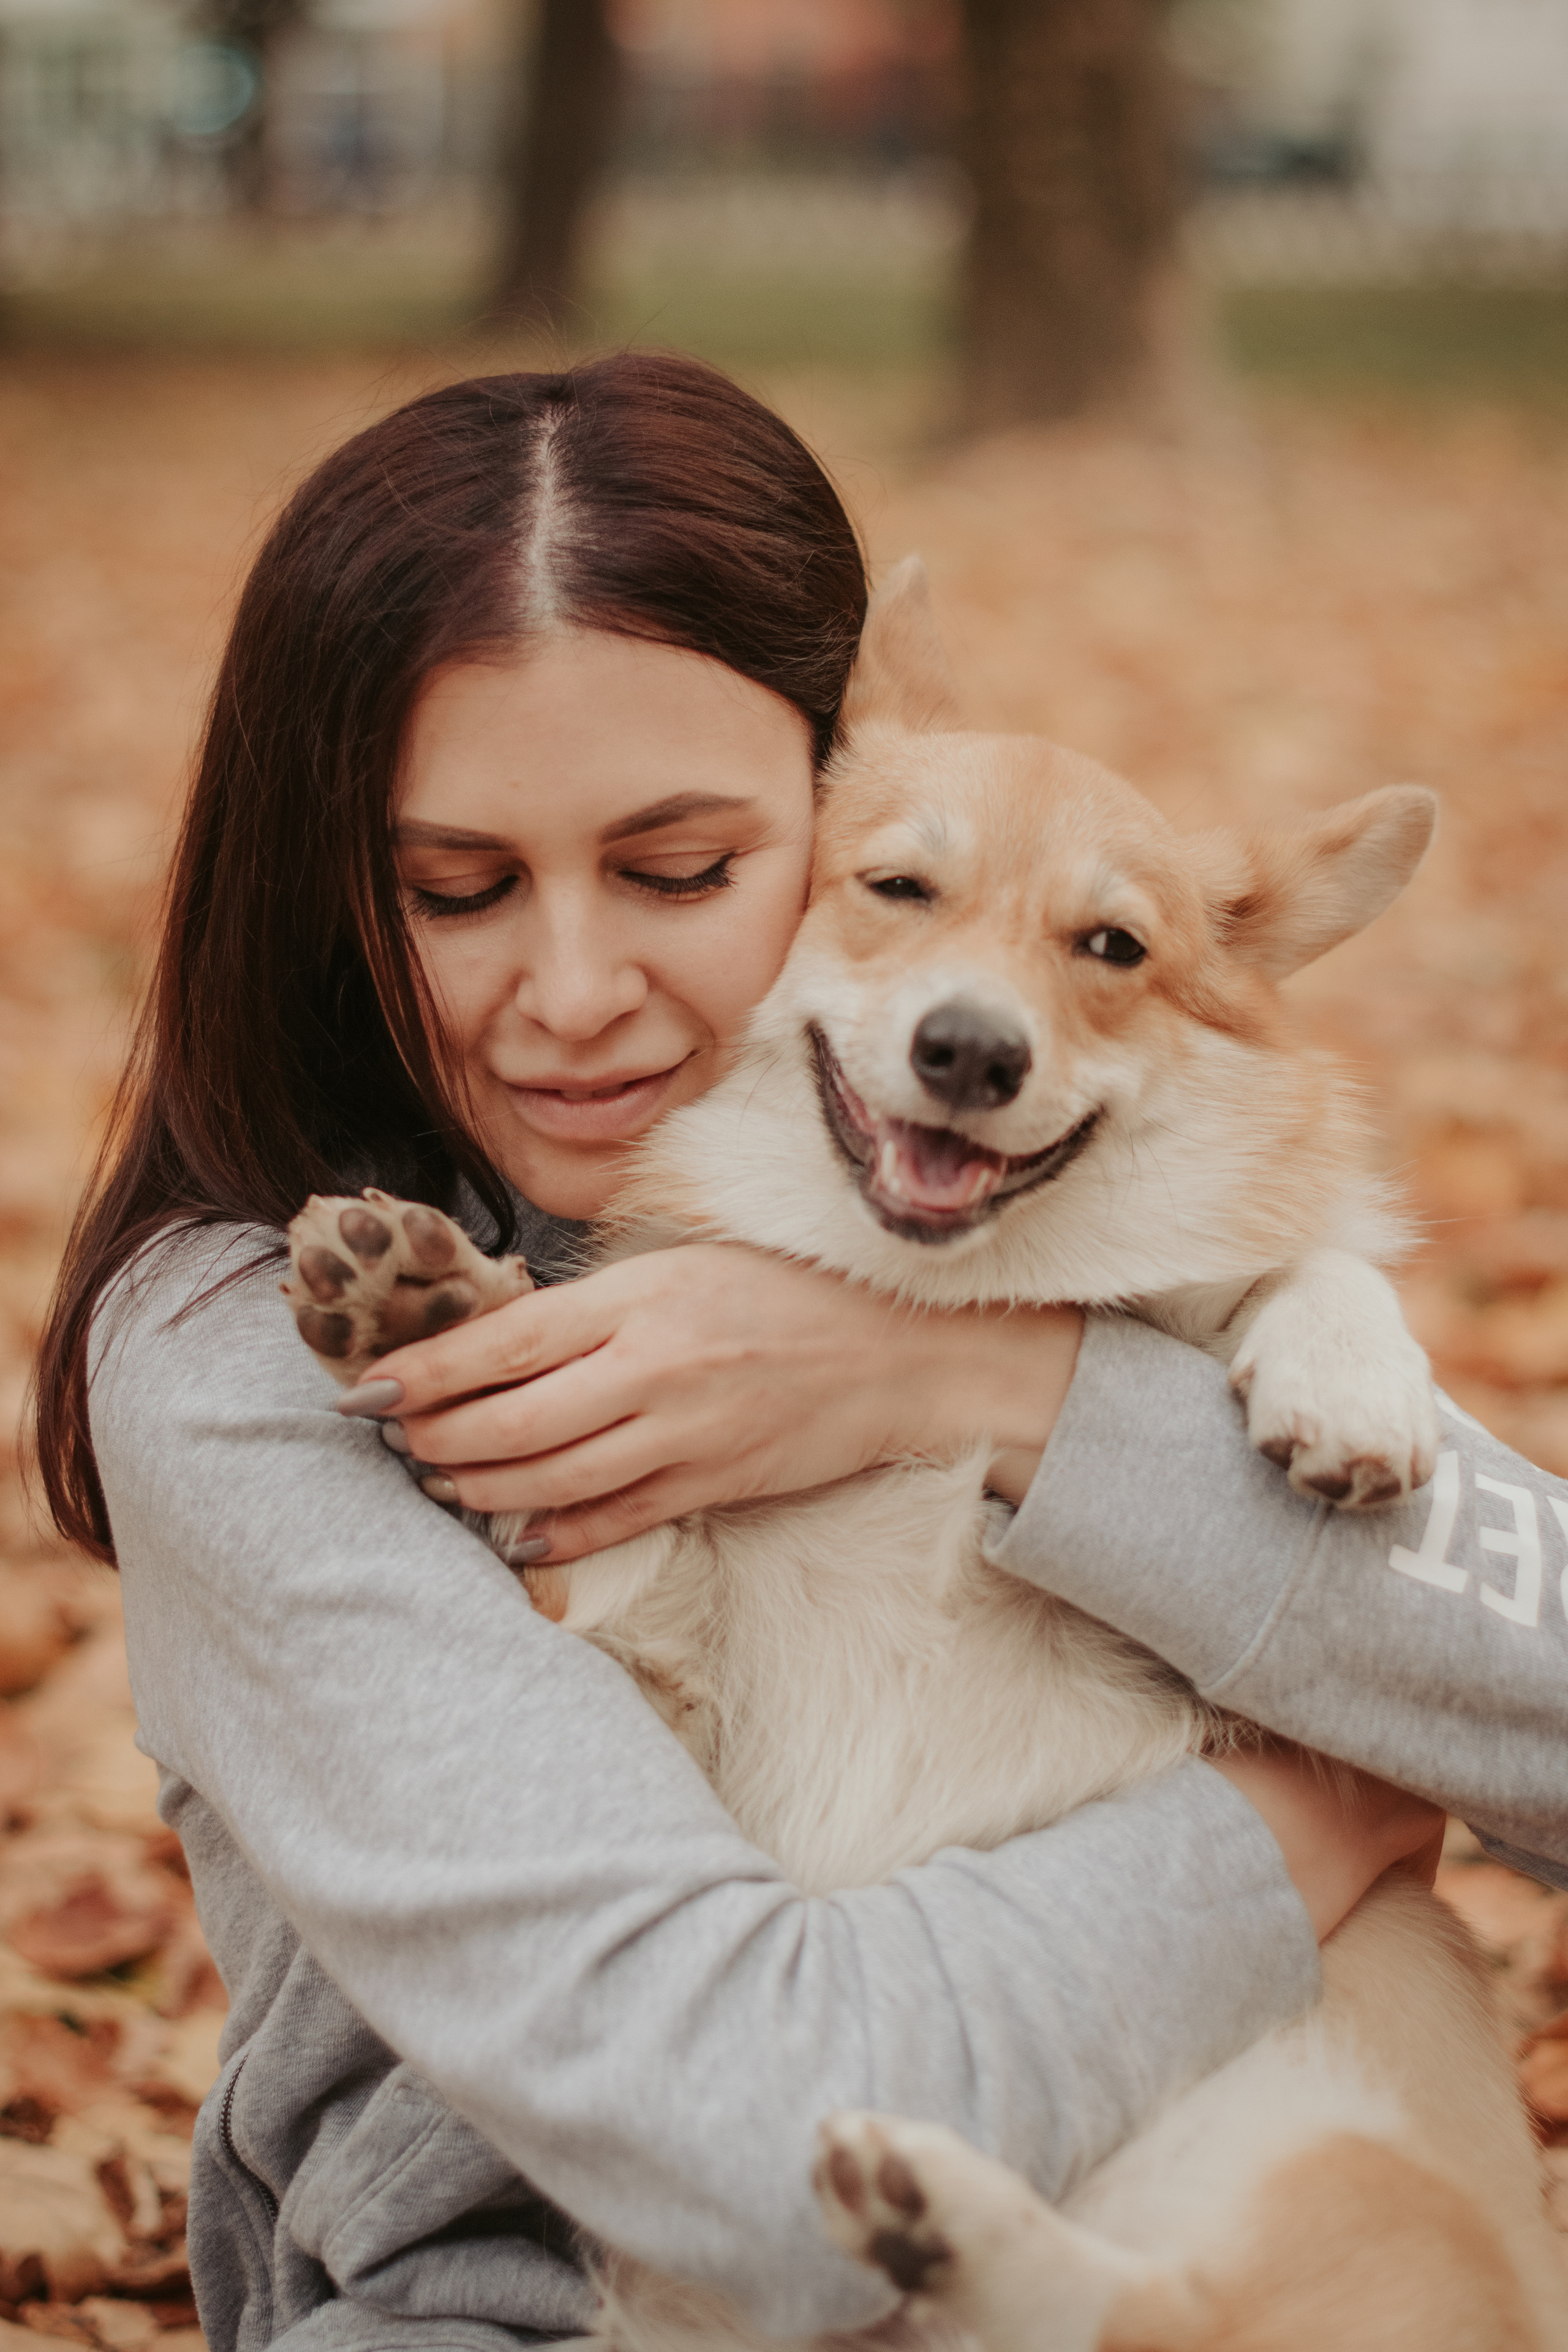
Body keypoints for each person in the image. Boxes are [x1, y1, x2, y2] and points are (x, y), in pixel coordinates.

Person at [32, 354, 1566, 2352]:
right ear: (326, 889)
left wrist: (969, 1383)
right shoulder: (243, 1348)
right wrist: (1306, 1822)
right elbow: (765, 2152)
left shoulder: (1079, 1252)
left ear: (824, 785)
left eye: (684, 872)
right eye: (457, 887)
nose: (579, 995)